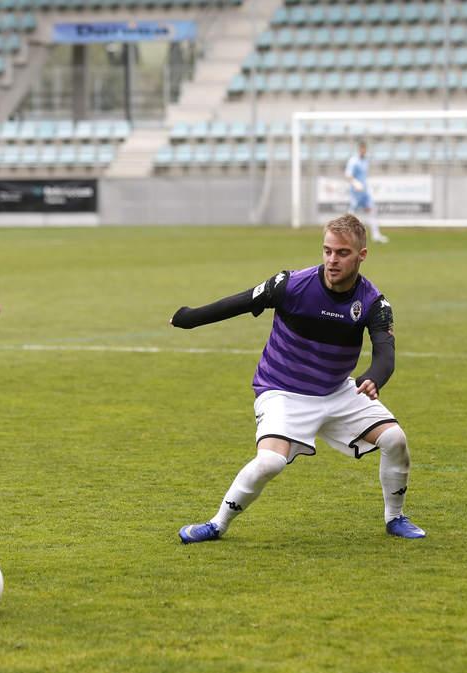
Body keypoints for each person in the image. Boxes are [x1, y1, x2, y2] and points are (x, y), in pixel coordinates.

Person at [171, 214, 425, 544]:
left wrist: (374, 377)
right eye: (328, 251)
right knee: (270, 462)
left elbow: (385, 353)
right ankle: (217, 524)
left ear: (361, 256)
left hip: (336, 391)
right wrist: (189, 319)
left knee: (395, 439)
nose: (333, 260)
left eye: (343, 253)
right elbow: (240, 301)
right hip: (282, 391)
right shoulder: (291, 285)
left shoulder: (373, 302)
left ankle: (395, 518)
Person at [345, 140, 388, 244]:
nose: (363, 151)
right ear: (359, 149)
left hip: (364, 191)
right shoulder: (353, 161)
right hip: (356, 191)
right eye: (362, 149)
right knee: (351, 213)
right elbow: (348, 175)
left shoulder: (365, 160)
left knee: (372, 209)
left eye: (365, 149)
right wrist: (355, 183)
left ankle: (376, 235)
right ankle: (345, 235)